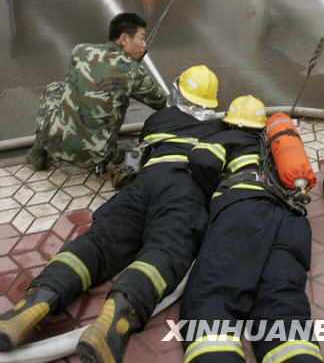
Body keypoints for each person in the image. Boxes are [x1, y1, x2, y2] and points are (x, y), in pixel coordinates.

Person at [0, 65, 227, 363]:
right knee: (167, 247)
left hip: (144, 183)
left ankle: (36, 300)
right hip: (183, 189)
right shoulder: (223, 130)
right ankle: (119, 314)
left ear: (178, 93)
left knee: (99, 241)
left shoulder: (158, 119)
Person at [180, 95, 322, 363]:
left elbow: (202, 160)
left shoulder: (227, 138)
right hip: (290, 220)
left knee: (214, 292)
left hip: (244, 212)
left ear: (231, 125)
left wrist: (214, 192)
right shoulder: (273, 147)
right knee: (283, 301)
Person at [26, 12, 167, 172]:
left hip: (55, 145)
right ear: (124, 39)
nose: (144, 45)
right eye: (141, 38)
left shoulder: (79, 51)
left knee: (54, 89)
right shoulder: (133, 72)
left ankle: (37, 153)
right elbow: (163, 103)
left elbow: (79, 87)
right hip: (98, 156)